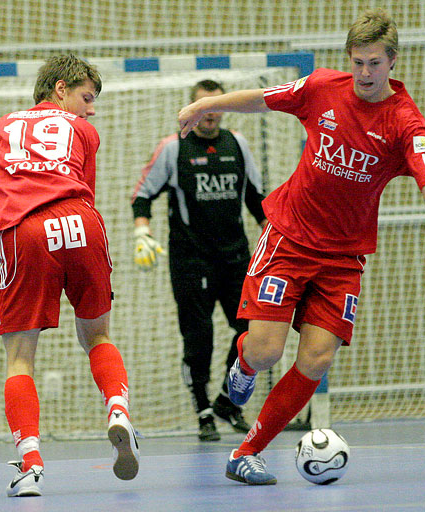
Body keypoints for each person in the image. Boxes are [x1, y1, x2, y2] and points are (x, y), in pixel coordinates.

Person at [178, 8, 425, 485]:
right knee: (264, 352)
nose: (364, 73)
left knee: (317, 359)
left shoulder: (405, 123)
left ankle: (246, 452)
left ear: (392, 62)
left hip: (343, 258)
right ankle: (243, 364)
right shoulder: (321, 87)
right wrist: (204, 106)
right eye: (358, 61)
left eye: (375, 64)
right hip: (288, 239)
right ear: (349, 58)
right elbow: (263, 99)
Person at [0, 54, 140, 497]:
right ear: (60, 89)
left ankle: (31, 465)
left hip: (26, 234)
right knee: (98, 336)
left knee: (20, 357)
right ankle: (117, 408)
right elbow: (77, 194)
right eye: (86, 97)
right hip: (83, 224)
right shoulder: (83, 131)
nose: (91, 109)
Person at [131, 79, 265, 442]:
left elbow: (256, 199)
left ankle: (227, 400)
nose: (210, 113)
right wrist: (142, 233)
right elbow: (142, 197)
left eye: (216, 105)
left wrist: (276, 239)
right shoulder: (173, 149)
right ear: (192, 110)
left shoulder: (238, 144)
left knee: (252, 332)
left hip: (237, 258)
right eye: (203, 107)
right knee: (199, 337)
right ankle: (203, 409)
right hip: (191, 261)